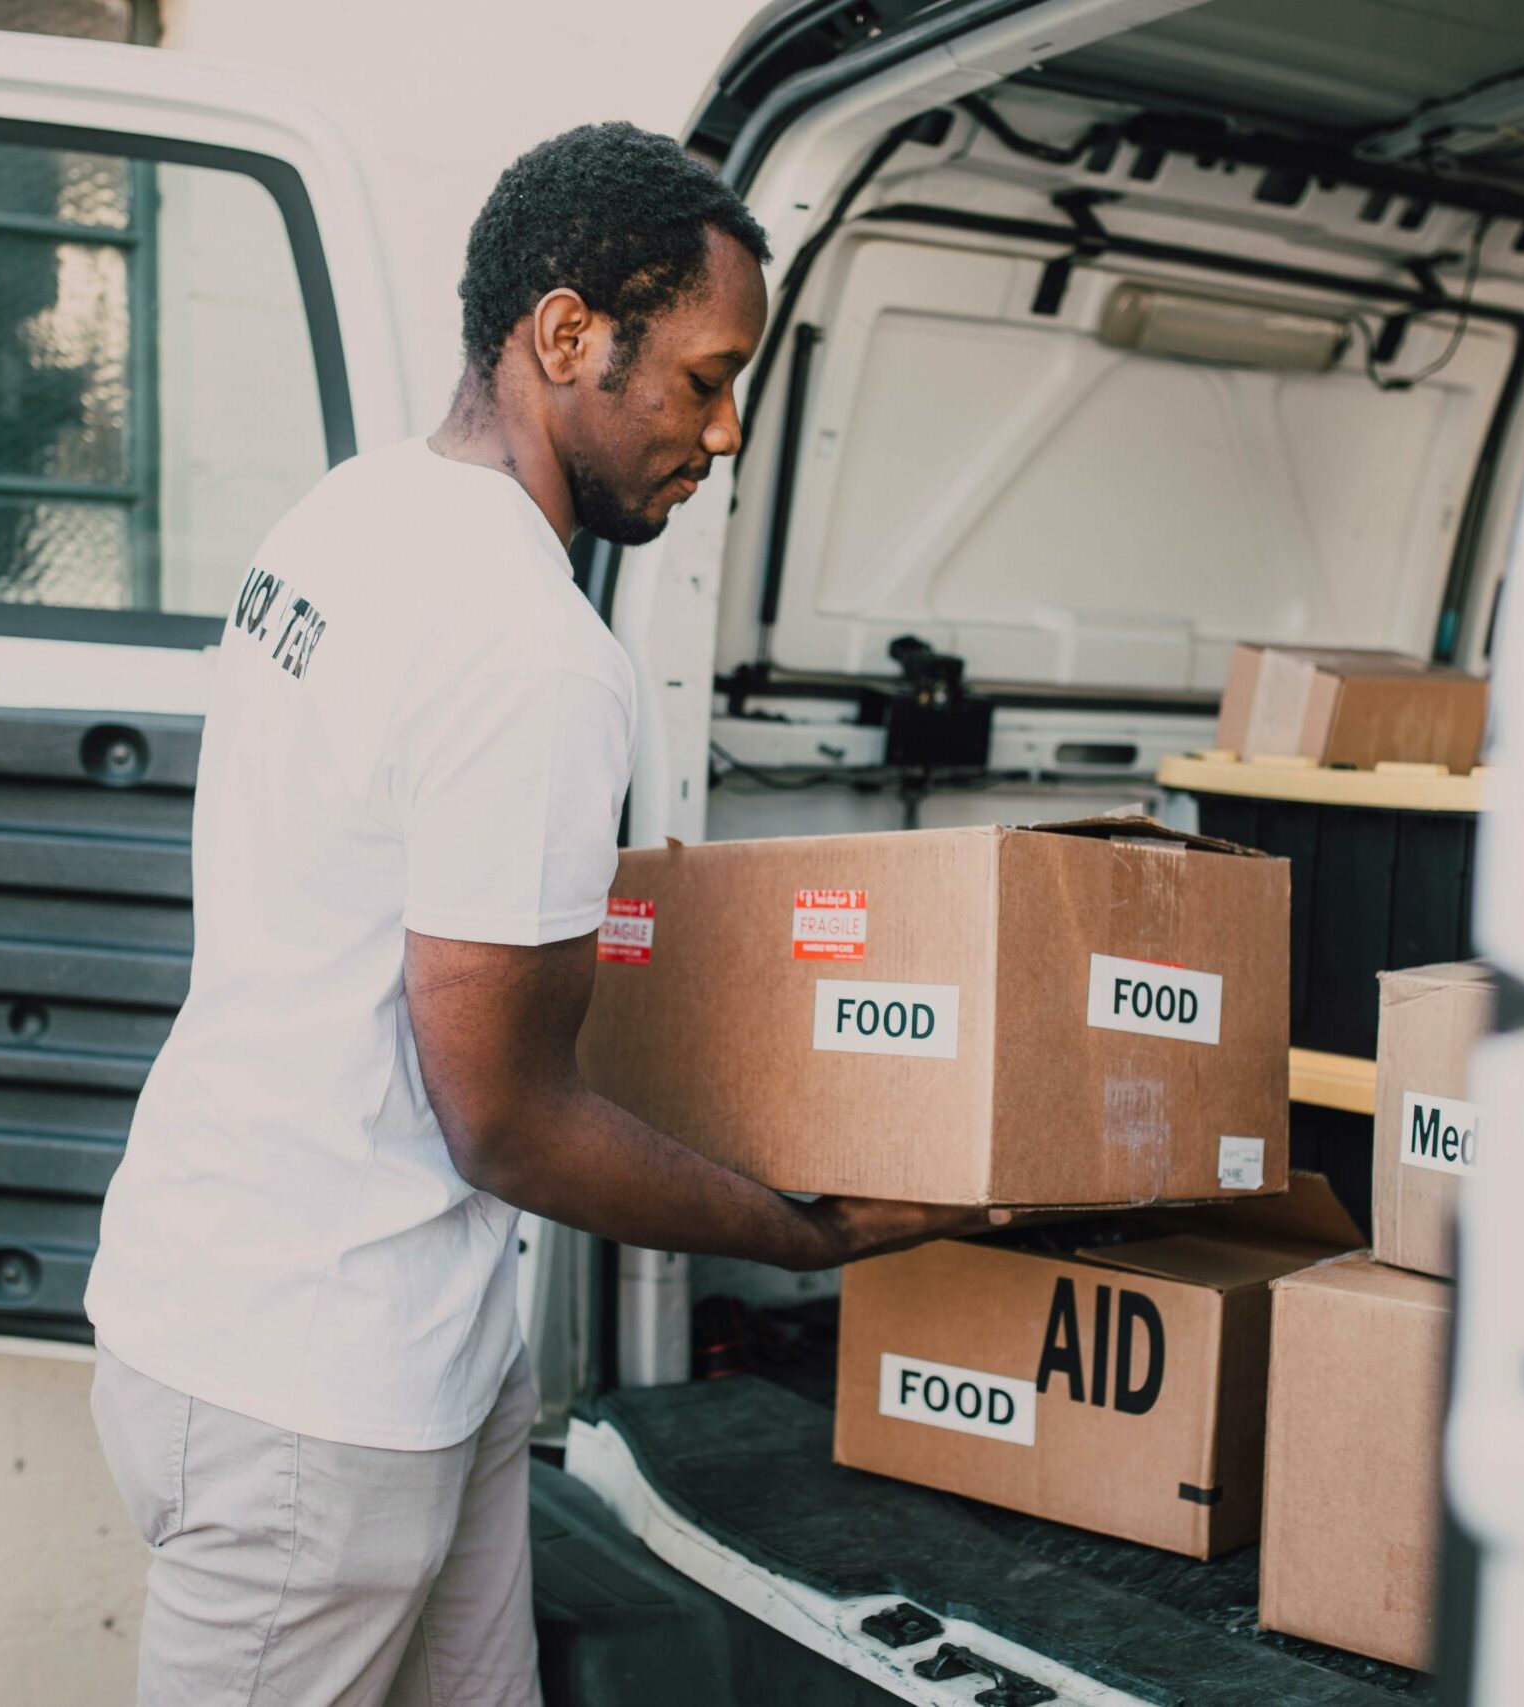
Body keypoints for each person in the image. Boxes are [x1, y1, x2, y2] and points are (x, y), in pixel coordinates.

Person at [85, 121, 1006, 1707]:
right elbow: (506, 1122)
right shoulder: (527, 649)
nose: (720, 437)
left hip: (324, 1320)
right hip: (315, 1391)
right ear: (566, 332)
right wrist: (807, 1237)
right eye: (705, 380)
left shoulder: (344, 519)